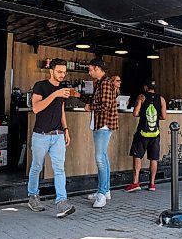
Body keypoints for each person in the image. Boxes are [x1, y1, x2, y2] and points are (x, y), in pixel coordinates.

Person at [27, 58, 75, 217]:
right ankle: (33, 196)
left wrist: (66, 129)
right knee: (37, 167)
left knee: (60, 169)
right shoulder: (40, 86)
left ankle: (62, 202)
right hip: (40, 135)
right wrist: (55, 94)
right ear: (51, 71)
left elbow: (61, 110)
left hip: (58, 135)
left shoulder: (62, 88)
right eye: (59, 72)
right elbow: (36, 108)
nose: (62, 75)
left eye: (64, 72)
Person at [83, 58, 119, 208]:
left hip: (104, 125)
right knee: (103, 157)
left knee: (99, 158)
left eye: (90, 69)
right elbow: (94, 101)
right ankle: (105, 190)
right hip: (100, 124)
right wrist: (79, 96)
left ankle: (102, 194)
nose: (89, 72)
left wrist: (90, 108)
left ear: (98, 68)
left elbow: (105, 105)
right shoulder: (101, 83)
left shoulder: (104, 83)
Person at [125, 79, 167, 192]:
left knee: (137, 155)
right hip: (155, 133)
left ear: (145, 87)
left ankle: (135, 182)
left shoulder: (141, 97)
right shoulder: (161, 99)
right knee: (154, 158)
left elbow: (135, 113)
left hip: (142, 132)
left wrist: (144, 115)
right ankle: (152, 184)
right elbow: (164, 116)